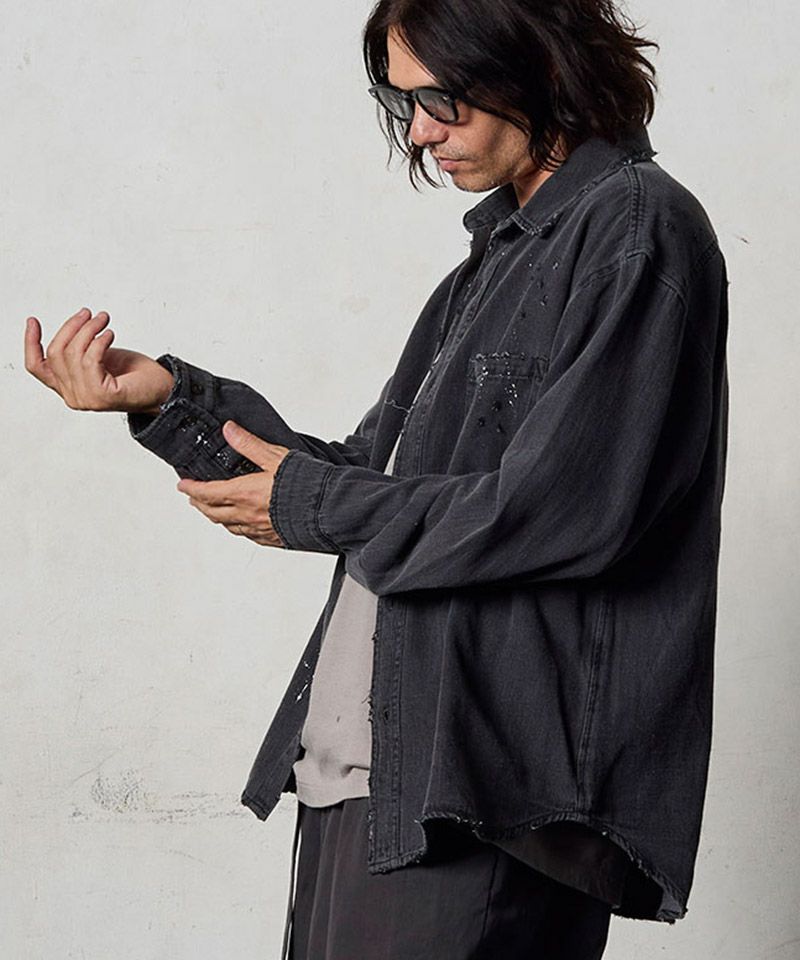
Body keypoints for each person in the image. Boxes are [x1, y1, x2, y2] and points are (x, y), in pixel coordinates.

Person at [24, 0, 730, 957]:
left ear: (537, 64)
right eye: (405, 104)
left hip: (483, 796)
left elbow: (562, 509)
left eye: (442, 98)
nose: (422, 132)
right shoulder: (492, 265)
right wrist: (169, 399)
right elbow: (372, 480)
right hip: (375, 774)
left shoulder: (635, 229)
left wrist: (313, 502)